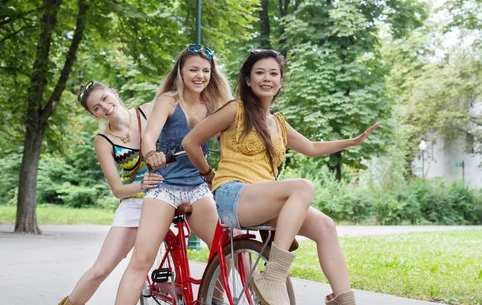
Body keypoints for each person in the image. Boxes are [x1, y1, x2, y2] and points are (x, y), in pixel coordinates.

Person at [182, 49, 381, 305]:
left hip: (263, 200)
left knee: (326, 226)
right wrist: (208, 174)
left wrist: (352, 142)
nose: (267, 78)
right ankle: (274, 275)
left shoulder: (278, 122)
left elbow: (311, 147)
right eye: (260, 73)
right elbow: (190, 142)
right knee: (302, 187)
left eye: (274, 73)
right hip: (234, 196)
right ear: (248, 80)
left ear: (281, 81)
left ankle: (344, 300)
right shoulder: (235, 110)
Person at [114, 44, 232, 305]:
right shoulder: (169, 100)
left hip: (197, 186)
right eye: (193, 69)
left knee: (227, 251)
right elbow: (149, 136)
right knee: (141, 260)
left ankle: (214, 298)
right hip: (164, 185)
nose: (200, 76)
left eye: (205, 70)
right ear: (181, 71)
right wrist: (151, 153)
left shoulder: (216, 105)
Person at [59, 81, 163, 305]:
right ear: (94, 115)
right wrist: (143, 184)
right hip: (135, 204)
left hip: (169, 195)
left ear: (114, 93)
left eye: (105, 98)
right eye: (96, 107)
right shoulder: (103, 140)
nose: (104, 107)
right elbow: (118, 190)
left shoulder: (147, 111)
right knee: (99, 270)